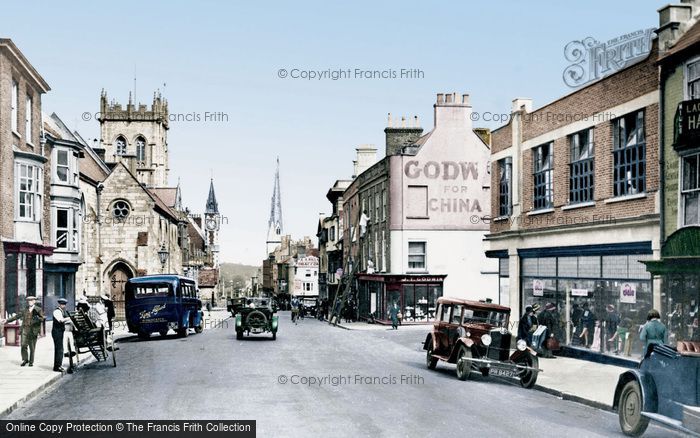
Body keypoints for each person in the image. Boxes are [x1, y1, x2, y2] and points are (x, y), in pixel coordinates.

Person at [1, 296, 45, 367]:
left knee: (32, 347)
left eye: (31, 300)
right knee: (23, 345)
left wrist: (37, 319)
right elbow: (16, 316)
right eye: (28, 301)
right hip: (24, 329)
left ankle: (31, 361)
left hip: (33, 330)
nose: (29, 302)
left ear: (34, 301)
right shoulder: (24, 309)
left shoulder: (38, 309)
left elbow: (42, 318)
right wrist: (7, 320)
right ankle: (25, 359)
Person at [52, 298, 71, 372]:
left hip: (60, 331)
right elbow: (61, 320)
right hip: (56, 332)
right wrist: (69, 318)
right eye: (62, 304)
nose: (64, 306)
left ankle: (58, 365)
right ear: (59, 304)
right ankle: (57, 366)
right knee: (59, 349)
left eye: (64, 304)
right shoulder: (57, 311)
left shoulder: (62, 311)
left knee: (60, 349)